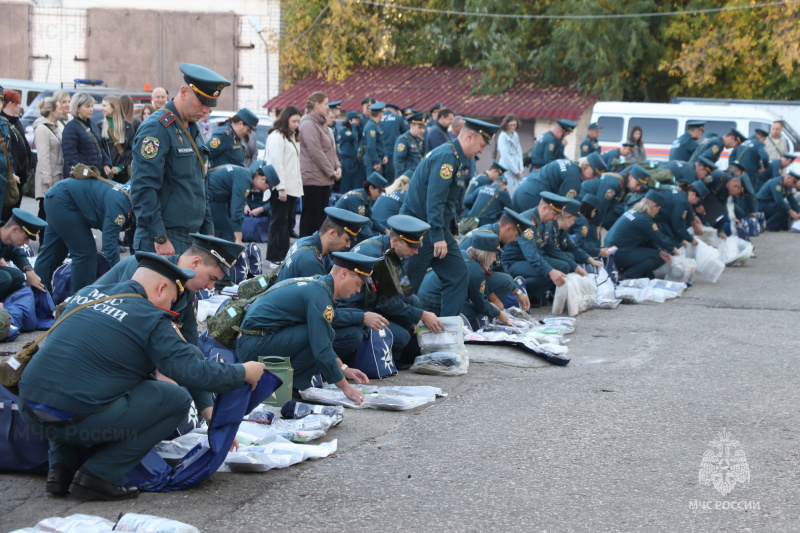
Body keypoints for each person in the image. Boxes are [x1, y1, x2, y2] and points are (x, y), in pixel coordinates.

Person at [19, 252, 266, 501]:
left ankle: (59, 470)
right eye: (171, 301)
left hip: (30, 409)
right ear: (161, 289)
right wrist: (243, 372)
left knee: (73, 379)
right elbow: (193, 371)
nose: (170, 308)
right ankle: (99, 476)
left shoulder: (85, 295)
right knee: (175, 400)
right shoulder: (151, 316)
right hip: (78, 420)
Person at [236, 252, 378, 402]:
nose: (358, 291)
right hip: (253, 345)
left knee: (322, 334)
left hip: (256, 340)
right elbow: (321, 346)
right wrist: (346, 388)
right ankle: (288, 389)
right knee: (319, 339)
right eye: (359, 284)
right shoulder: (319, 294)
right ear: (344, 273)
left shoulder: (319, 285)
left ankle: (288, 387)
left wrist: (344, 369)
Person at [401, 118, 500, 316]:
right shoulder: (446, 156)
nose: (481, 151)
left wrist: (451, 230)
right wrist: (438, 236)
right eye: (481, 145)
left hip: (435, 227)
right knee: (408, 285)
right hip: (419, 230)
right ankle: (397, 332)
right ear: (469, 136)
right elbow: (435, 200)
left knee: (457, 274)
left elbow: (448, 201)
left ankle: (447, 328)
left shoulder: (454, 157)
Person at [130, 63, 230, 255]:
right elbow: (143, 187)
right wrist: (159, 237)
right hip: (164, 238)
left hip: (191, 236)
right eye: (201, 103)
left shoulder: (192, 129)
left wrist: (208, 232)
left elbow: (200, 185)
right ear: (184, 92)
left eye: (209, 107)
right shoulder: (158, 128)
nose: (205, 111)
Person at [97, 234, 242, 346]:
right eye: (212, 278)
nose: (211, 287)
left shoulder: (188, 289)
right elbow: (126, 328)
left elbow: (189, 336)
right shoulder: (144, 269)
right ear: (196, 262)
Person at [349, 215, 444, 363]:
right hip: (356, 307)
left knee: (413, 300)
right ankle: (374, 360)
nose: (416, 252)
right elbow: (386, 303)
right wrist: (421, 315)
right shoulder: (376, 257)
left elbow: (403, 289)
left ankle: (403, 355)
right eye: (412, 247)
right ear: (395, 241)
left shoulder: (388, 248)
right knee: (401, 337)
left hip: (372, 301)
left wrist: (414, 315)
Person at [34, 175, 133, 295]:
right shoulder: (120, 204)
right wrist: (121, 274)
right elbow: (110, 243)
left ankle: (41, 297)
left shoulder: (134, 195)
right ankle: (79, 302)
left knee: (55, 252)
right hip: (64, 201)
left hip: (58, 196)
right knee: (85, 254)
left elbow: (135, 241)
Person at [419, 231, 513, 328]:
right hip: (434, 304)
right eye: (493, 255)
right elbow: (481, 305)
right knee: (477, 311)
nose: (494, 259)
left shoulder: (463, 254)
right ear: (486, 255)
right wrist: (498, 313)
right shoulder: (476, 271)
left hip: (424, 297)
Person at [457, 207, 534, 312]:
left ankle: (488, 311)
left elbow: (499, 267)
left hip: (467, 276)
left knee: (507, 279)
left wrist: (517, 292)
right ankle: (484, 314)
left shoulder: (493, 234)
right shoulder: (489, 238)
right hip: (460, 279)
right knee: (505, 281)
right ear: (509, 228)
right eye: (516, 235)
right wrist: (495, 301)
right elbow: (477, 274)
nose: (515, 239)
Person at [501, 192, 571, 301]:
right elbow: (531, 254)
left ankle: (535, 296)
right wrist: (550, 271)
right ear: (544, 208)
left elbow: (551, 248)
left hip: (526, 261)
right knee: (546, 272)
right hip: (513, 262)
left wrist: (574, 266)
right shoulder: (528, 221)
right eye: (554, 214)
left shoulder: (545, 222)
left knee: (564, 266)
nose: (555, 218)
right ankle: (515, 293)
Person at [604, 190, 681, 279]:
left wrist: (660, 251)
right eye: (658, 209)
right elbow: (660, 238)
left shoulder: (634, 212)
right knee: (654, 256)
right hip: (618, 253)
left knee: (656, 253)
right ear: (653, 206)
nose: (657, 212)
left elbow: (648, 238)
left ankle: (639, 274)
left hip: (612, 250)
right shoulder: (644, 219)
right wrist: (676, 251)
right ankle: (626, 276)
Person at [299, 91, 341, 237]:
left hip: (324, 179)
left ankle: (317, 251)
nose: (327, 107)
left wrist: (338, 166)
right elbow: (316, 152)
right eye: (325, 104)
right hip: (313, 179)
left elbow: (331, 148)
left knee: (321, 220)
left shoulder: (321, 124)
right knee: (311, 220)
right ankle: (304, 252)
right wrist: (331, 171)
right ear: (316, 105)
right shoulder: (308, 124)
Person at [266, 105, 303, 265]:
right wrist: (280, 187)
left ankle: (283, 255)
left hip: (291, 188)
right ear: (285, 119)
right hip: (280, 188)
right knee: (278, 223)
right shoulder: (277, 136)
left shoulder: (290, 136)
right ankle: (274, 257)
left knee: (287, 224)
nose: (296, 124)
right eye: (294, 121)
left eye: (298, 121)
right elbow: (276, 163)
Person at [207, 163, 279, 243]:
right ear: (263, 179)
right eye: (267, 187)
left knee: (221, 232)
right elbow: (236, 210)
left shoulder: (246, 174)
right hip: (209, 198)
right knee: (228, 234)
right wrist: (238, 239)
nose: (265, 190)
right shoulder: (245, 179)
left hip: (215, 198)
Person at [512, 153, 607, 212]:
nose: (594, 178)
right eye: (594, 173)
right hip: (532, 197)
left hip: (521, 191)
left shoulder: (568, 164)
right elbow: (563, 206)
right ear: (586, 165)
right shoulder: (574, 180)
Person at [61, 92, 112, 180]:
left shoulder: (92, 124)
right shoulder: (71, 128)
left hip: (96, 176)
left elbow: (100, 148)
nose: (91, 109)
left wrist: (106, 163)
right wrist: (82, 175)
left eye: (92, 106)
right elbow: (71, 158)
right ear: (77, 108)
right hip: (82, 179)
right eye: (87, 106)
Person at [0, 209, 47, 299]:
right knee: (5, 278)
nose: (26, 243)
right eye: (25, 238)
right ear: (15, 230)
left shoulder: (4, 238)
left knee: (18, 276)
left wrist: (29, 271)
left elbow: (16, 253)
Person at [33, 97, 64, 228]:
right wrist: (47, 180)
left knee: (53, 213)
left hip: (57, 176)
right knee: (45, 212)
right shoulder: (42, 129)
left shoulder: (58, 126)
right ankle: (43, 244)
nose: (62, 110)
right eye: (59, 108)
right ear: (52, 111)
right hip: (48, 179)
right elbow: (43, 155)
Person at [1, 89, 32, 217]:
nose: (20, 106)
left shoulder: (12, 122)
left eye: (1, 100)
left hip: (15, 173)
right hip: (7, 175)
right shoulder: (4, 123)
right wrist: (11, 172)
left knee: (13, 209)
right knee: (6, 211)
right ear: (10, 104)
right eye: (18, 103)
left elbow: (7, 152)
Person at [334, 172, 389, 243]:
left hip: (346, 229)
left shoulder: (365, 197)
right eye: (379, 191)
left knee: (369, 223)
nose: (380, 195)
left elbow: (370, 219)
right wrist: (374, 241)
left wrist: (385, 230)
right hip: (339, 232)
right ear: (371, 188)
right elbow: (361, 224)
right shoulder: (357, 199)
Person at [97, 96, 134, 184]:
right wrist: (106, 165)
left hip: (123, 174)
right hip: (105, 173)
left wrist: (120, 167)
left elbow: (132, 148)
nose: (102, 109)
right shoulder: (100, 126)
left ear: (113, 107)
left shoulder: (127, 126)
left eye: (105, 106)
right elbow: (99, 148)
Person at [497, 114, 525, 196]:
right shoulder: (502, 136)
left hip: (517, 167)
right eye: (510, 125)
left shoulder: (515, 135)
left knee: (517, 191)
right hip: (507, 167)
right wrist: (516, 171)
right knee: (509, 191)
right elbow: (506, 156)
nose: (512, 127)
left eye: (514, 125)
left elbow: (519, 152)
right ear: (506, 125)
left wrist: (521, 168)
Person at [392, 111, 426, 179]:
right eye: (419, 128)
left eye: (423, 128)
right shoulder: (403, 140)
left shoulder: (420, 140)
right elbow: (398, 162)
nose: (422, 131)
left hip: (418, 175)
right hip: (407, 177)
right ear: (412, 126)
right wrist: (401, 179)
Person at [380, 103, 408, 179]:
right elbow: (406, 134)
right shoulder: (397, 118)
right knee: (391, 180)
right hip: (392, 153)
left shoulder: (377, 118)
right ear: (396, 111)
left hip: (378, 154)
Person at [337, 111, 361, 193]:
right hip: (347, 159)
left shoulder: (352, 130)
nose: (358, 122)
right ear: (350, 120)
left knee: (352, 183)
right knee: (346, 183)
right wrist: (353, 125)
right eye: (356, 120)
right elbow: (353, 136)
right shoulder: (344, 130)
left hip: (353, 160)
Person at [362, 101, 387, 178]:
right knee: (373, 185)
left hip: (377, 158)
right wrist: (376, 162)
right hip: (372, 161)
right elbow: (371, 146)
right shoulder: (371, 127)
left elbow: (380, 143)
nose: (383, 114)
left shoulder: (375, 125)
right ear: (379, 113)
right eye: (383, 112)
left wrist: (384, 155)